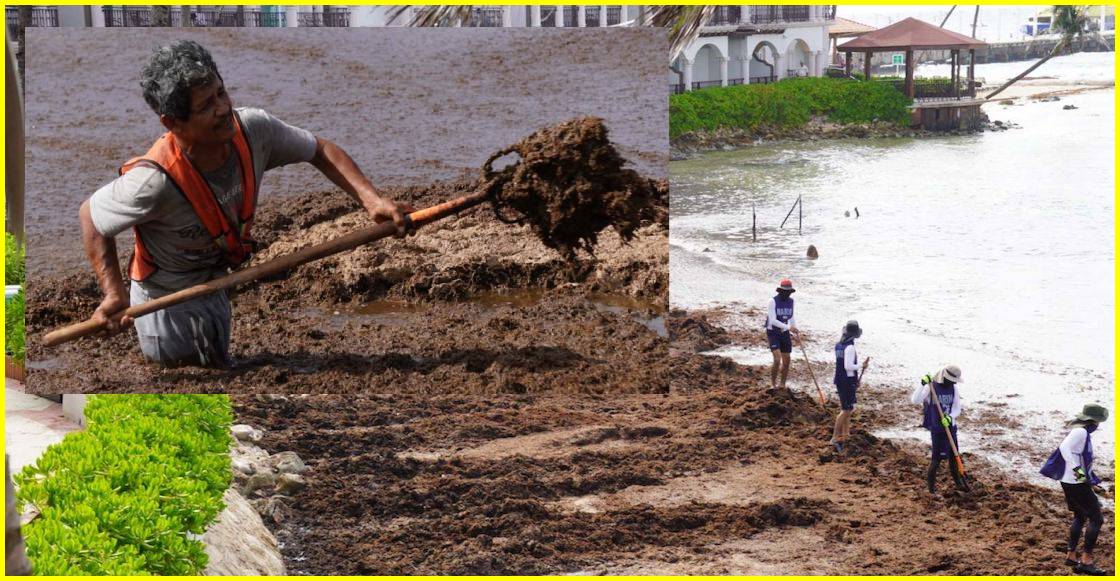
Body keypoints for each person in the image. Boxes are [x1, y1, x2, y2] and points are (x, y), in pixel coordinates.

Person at [79, 40, 413, 368]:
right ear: (172, 123)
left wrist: (372, 201)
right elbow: (91, 217)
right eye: (205, 106)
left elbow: (319, 150)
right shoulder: (152, 183)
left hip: (216, 281)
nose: (223, 109)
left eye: (221, 93)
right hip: (165, 302)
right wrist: (113, 292)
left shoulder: (254, 131)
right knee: (178, 377)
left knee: (219, 365)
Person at [1040, 404, 1109, 576]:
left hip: (1071, 480)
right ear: (1094, 421)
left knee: (1080, 515)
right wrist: (1079, 473)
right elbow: (1065, 449)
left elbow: (1080, 457)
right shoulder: (1081, 432)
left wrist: (1091, 481)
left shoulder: (1082, 431)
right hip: (1075, 481)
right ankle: (1086, 561)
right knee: (1096, 518)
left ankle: (1071, 556)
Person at [910, 365, 968, 494]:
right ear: (945, 377)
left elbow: (957, 408)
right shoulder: (932, 388)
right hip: (938, 429)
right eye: (952, 380)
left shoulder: (953, 389)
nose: (953, 383)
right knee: (936, 460)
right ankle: (931, 490)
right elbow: (915, 400)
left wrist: (950, 417)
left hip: (950, 427)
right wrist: (922, 384)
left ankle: (959, 483)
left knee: (954, 457)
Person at [831, 320, 867, 453]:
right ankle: (835, 437)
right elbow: (848, 366)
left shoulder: (839, 345)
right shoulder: (850, 347)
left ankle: (846, 435)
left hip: (840, 379)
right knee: (846, 410)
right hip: (846, 381)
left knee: (847, 408)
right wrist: (861, 366)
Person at [764, 278, 798, 389]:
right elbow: (773, 320)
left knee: (787, 360)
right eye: (785, 292)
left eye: (789, 292)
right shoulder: (772, 301)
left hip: (784, 333)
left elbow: (791, 317)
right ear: (780, 291)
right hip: (773, 332)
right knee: (777, 359)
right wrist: (789, 327)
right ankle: (773, 384)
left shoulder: (791, 301)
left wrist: (795, 329)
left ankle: (782, 384)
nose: (787, 294)